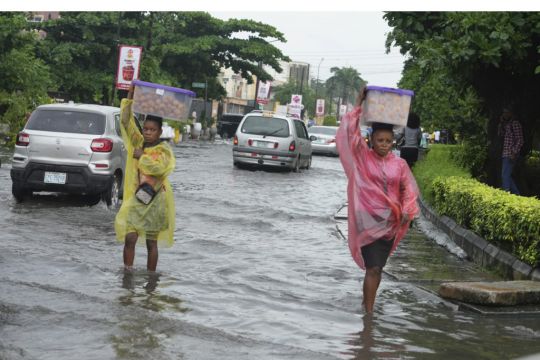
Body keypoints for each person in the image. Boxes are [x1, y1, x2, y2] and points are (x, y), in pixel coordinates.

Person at [336, 87, 419, 314]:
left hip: (390, 224)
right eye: (380, 140)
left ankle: (367, 304)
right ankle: (369, 314)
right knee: (373, 267)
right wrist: (359, 102)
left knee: (378, 268)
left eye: (388, 141)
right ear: (371, 140)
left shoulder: (399, 164)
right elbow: (349, 133)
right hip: (368, 220)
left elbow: (408, 189)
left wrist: (407, 208)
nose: (384, 144)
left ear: (394, 141)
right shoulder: (363, 157)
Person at [115, 85, 176, 272]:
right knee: (130, 237)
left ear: (159, 132)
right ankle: (127, 272)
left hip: (156, 201)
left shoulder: (164, 150)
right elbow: (125, 122)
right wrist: (130, 96)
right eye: (146, 129)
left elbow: (159, 168)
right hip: (137, 199)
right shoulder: (138, 141)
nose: (148, 132)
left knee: (151, 243)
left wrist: (141, 156)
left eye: (152, 130)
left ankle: (151, 278)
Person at [498, 107, 523, 195]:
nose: (505, 114)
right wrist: (501, 123)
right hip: (505, 153)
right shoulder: (506, 124)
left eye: (507, 112)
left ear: (511, 113)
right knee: (507, 176)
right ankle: (517, 196)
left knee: (504, 176)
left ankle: (506, 196)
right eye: (504, 112)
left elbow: (520, 140)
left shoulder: (515, 123)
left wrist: (514, 152)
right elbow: (500, 135)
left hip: (510, 154)